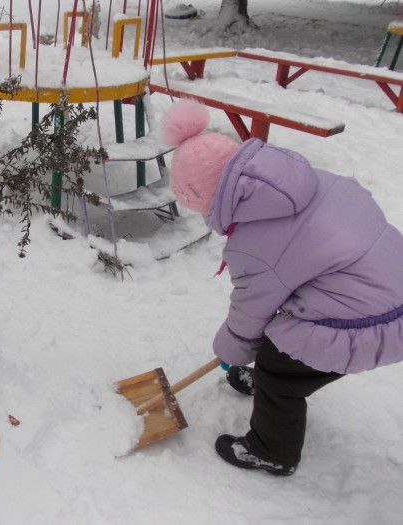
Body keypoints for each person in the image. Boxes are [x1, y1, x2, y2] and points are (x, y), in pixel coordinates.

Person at [163, 101, 403, 476]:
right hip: (390, 284)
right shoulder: (305, 182)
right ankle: (265, 382)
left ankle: (271, 451)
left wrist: (233, 351)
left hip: (367, 319)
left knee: (280, 371)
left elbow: (251, 311)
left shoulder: (256, 243)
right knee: (284, 340)